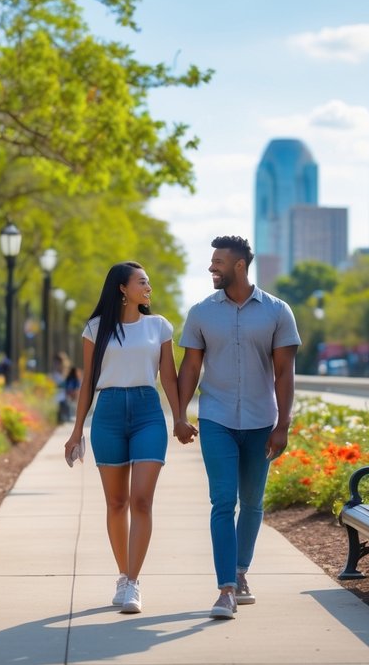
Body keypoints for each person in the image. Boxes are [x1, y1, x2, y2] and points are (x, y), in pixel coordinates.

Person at [177, 235, 300, 620]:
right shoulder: (200, 313)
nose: (212, 267)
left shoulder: (278, 312)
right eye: (212, 260)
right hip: (216, 419)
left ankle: (241, 573)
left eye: (218, 262)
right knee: (223, 501)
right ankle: (226, 589)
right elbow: (191, 368)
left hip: (261, 422)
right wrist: (179, 415)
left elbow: (284, 372)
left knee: (252, 504)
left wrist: (282, 424)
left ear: (240, 267)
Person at [63, 261, 195, 614]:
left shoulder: (159, 326)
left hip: (148, 413)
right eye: (142, 282)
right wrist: (76, 432)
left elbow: (168, 378)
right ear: (122, 288)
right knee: (116, 503)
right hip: (107, 414)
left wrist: (180, 417)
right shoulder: (95, 329)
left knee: (141, 500)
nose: (148, 286)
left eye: (148, 281)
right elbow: (88, 381)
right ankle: (122, 575)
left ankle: (133, 583)